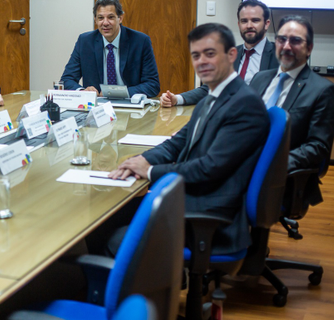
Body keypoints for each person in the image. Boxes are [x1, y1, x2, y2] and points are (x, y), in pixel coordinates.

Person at [109, 23, 270, 255]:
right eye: (196, 55)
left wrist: (151, 171)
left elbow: (209, 168)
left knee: (114, 239)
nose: (201, 61)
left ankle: (129, 289)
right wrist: (137, 161)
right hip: (193, 197)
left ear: (231, 55)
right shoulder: (210, 98)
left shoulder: (245, 103)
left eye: (210, 54)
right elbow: (177, 144)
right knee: (109, 217)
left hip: (211, 215)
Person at [250, 15, 334, 205]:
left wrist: (268, 164)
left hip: (280, 176)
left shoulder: (323, 90)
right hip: (241, 160)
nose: (287, 46)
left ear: (309, 48)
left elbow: (318, 147)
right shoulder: (260, 78)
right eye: (282, 39)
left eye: (296, 40)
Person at [161, 0, 279, 107]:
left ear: (267, 24)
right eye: (244, 21)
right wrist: (177, 99)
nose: (249, 26)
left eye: (255, 20)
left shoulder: (279, 55)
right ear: (239, 24)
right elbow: (210, 88)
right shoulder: (230, 54)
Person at [59, 0, 160, 97]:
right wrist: (82, 92)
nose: (105, 23)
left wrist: (117, 93)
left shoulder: (140, 41)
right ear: (95, 20)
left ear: (120, 18)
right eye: (100, 18)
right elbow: (66, 80)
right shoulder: (85, 42)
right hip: (97, 108)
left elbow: (152, 85)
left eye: (110, 17)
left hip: (130, 106)